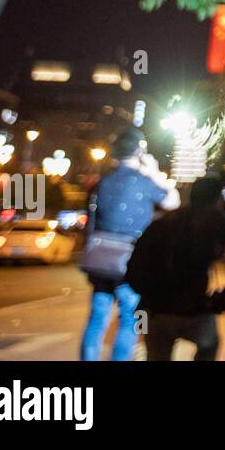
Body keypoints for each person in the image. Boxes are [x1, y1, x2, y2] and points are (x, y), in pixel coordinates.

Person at [79, 126, 178, 362]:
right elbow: (172, 201)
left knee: (97, 318)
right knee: (130, 319)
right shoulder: (144, 181)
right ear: (139, 151)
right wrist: (153, 171)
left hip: (100, 259)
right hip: (130, 260)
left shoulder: (103, 182)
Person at [127, 177, 225, 361]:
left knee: (156, 356)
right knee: (209, 344)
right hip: (192, 309)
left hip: (154, 308)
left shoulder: (166, 219)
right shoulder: (213, 217)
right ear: (216, 198)